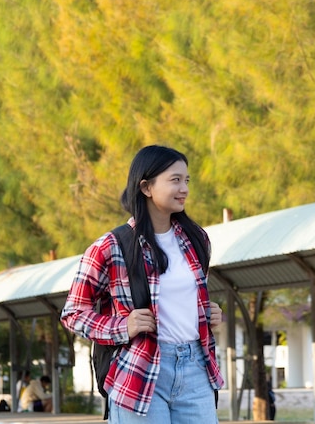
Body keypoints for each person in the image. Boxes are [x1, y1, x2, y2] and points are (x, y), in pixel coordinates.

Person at [61, 145, 224, 423]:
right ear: (146, 187)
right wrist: (123, 326)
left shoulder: (197, 239)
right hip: (139, 372)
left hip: (196, 368)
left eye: (187, 180)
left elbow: (184, 299)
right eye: (175, 180)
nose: (184, 188)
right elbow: (73, 313)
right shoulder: (111, 246)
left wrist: (209, 312)